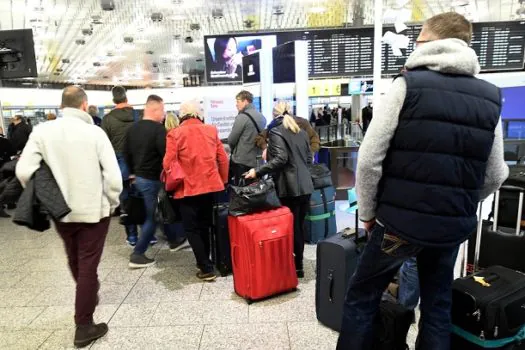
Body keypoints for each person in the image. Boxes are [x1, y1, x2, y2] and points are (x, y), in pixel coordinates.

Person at [336, 13, 509, 350]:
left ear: (429, 42)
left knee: (363, 296)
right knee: (437, 304)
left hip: (398, 224)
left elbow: (370, 160)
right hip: (450, 227)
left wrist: (369, 213)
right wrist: (460, 203)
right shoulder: (490, 97)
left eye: (417, 39)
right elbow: (495, 174)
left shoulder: (407, 85)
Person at [15, 86, 122, 348]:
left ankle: (87, 296)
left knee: (74, 256)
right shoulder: (94, 133)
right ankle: (84, 324)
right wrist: (112, 201)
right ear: (84, 106)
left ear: (63, 106)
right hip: (93, 211)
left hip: (61, 211)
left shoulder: (42, 131)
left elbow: (23, 169)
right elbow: (113, 177)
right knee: (88, 264)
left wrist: (48, 194)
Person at [245, 101, 314, 278]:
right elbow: (308, 158)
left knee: (288, 227)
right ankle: (298, 266)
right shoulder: (302, 132)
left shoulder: (275, 132)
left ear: (275, 115)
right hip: (305, 186)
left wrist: (257, 171)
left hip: (288, 187)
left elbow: (281, 159)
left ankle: (289, 265)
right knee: (299, 226)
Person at [163, 100, 228, 281]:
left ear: (181, 114)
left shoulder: (175, 134)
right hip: (210, 187)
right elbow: (223, 159)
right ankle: (205, 261)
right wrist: (221, 180)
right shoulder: (211, 130)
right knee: (205, 225)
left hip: (187, 189)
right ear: (199, 114)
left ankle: (205, 267)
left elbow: (168, 163)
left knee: (191, 228)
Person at [124, 95, 166, 268]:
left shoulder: (132, 129)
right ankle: (138, 254)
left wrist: (132, 172)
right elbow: (165, 154)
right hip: (152, 179)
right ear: (154, 109)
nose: (164, 115)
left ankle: (175, 239)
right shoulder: (158, 130)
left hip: (138, 178)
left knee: (152, 213)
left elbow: (125, 153)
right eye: (162, 110)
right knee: (152, 217)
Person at [101, 86, 139, 246]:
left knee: (126, 201)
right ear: (126, 98)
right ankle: (150, 234)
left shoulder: (108, 119)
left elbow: (104, 145)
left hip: (119, 164)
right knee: (144, 198)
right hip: (139, 162)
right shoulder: (138, 115)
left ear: (113, 100)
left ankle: (132, 236)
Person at [161, 111, 189, 252]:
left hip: (173, 178)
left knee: (170, 207)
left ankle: (176, 236)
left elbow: (167, 160)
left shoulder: (168, 136)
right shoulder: (183, 133)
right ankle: (183, 234)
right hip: (186, 176)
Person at [228, 90, 266, 185]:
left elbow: (232, 140)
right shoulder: (262, 117)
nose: (236, 104)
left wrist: (233, 152)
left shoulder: (242, 117)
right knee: (256, 189)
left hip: (242, 161)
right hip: (257, 161)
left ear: (245, 101)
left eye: (238, 101)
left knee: (242, 190)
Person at [255, 104, 321, 153]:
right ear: (291, 112)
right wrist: (310, 153)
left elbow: (259, 138)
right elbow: (315, 139)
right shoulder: (303, 122)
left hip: (281, 165)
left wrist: (265, 149)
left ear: (274, 115)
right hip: (301, 164)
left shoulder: (273, 126)